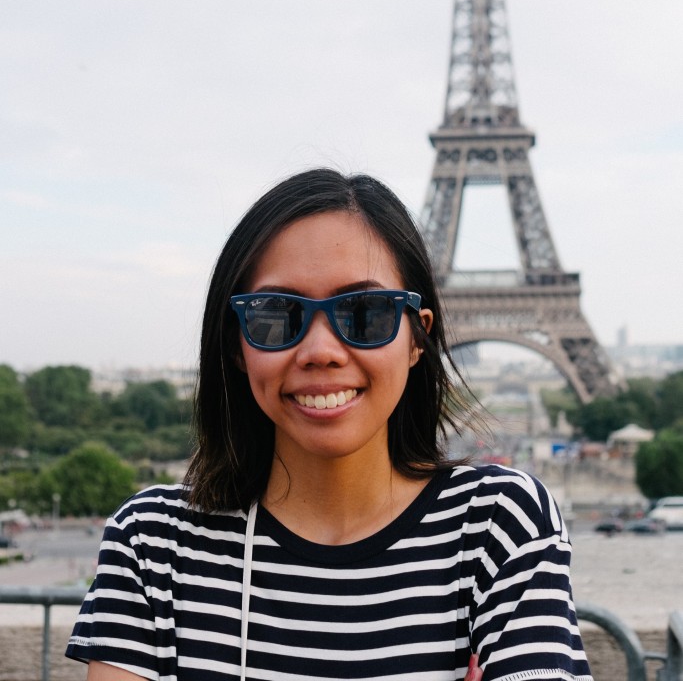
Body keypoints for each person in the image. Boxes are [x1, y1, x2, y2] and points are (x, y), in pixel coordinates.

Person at [66, 168, 592, 681]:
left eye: (366, 312)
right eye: (277, 315)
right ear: (236, 345)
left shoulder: (502, 522)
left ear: (417, 338)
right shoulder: (151, 542)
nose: (321, 350)